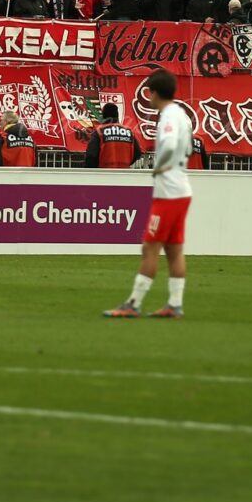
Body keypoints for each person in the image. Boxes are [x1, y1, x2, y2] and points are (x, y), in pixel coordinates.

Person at [103, 68, 192, 319]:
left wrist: (159, 167)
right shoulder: (182, 114)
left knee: (149, 247)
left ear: (153, 93)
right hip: (181, 189)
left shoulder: (167, 117)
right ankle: (174, 304)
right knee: (174, 249)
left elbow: (172, 145)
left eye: (149, 93)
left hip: (169, 193)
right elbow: (187, 146)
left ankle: (134, 302)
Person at [84, 103, 140, 169]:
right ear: (117, 115)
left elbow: (91, 155)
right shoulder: (129, 132)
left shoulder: (99, 131)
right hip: (125, 174)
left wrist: (94, 171)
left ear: (104, 115)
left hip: (104, 174)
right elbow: (137, 153)